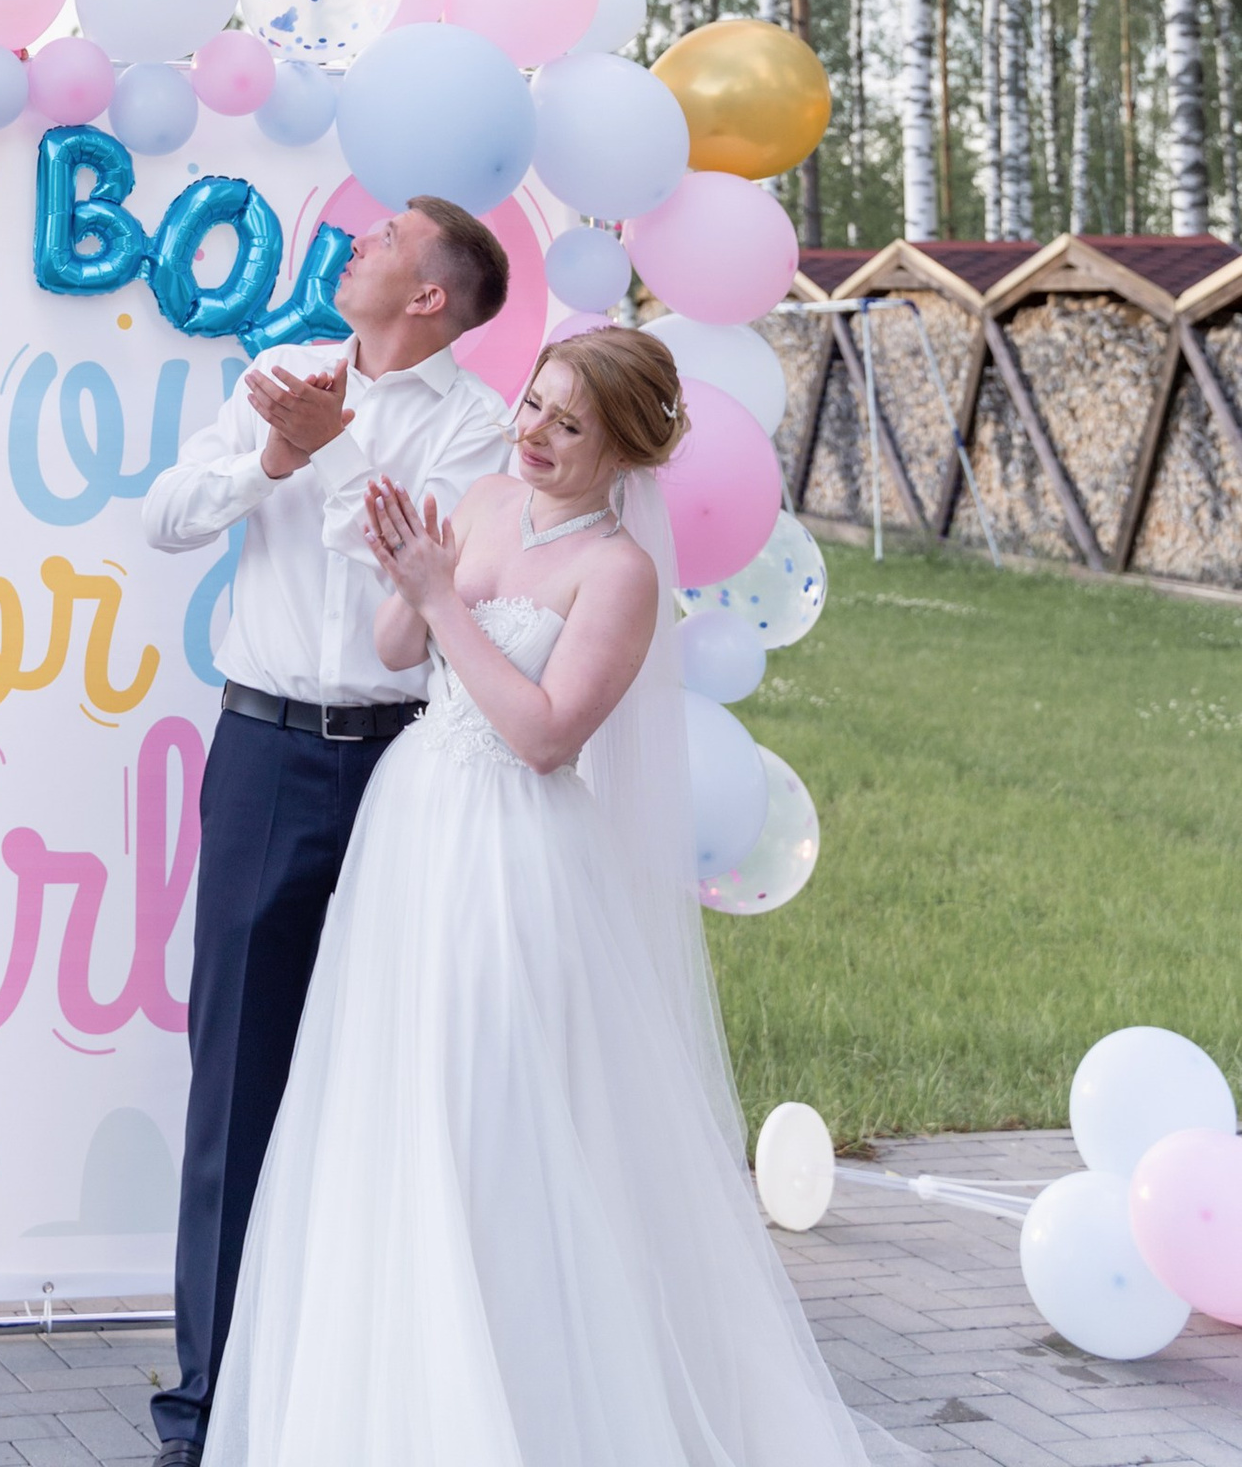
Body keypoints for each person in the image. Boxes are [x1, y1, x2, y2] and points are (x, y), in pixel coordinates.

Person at [204, 328, 895, 1466]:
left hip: (510, 853)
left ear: (621, 449)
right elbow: (395, 651)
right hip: (411, 826)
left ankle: (514, 1396)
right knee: (393, 1096)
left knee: (487, 1104)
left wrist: (446, 601)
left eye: (567, 425)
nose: (532, 433)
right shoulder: (477, 502)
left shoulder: (617, 574)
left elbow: (540, 735)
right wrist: (407, 581)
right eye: (532, 405)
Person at [138, 196, 517, 1465]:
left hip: (406, 764)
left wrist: (336, 453)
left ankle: (361, 1397)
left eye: (391, 234)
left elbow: (412, 595)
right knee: (236, 1082)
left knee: (395, 1079)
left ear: (430, 297)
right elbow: (167, 513)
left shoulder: (476, 428)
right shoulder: (284, 375)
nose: (359, 233)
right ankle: (205, 1409)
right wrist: (278, 459)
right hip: (262, 755)